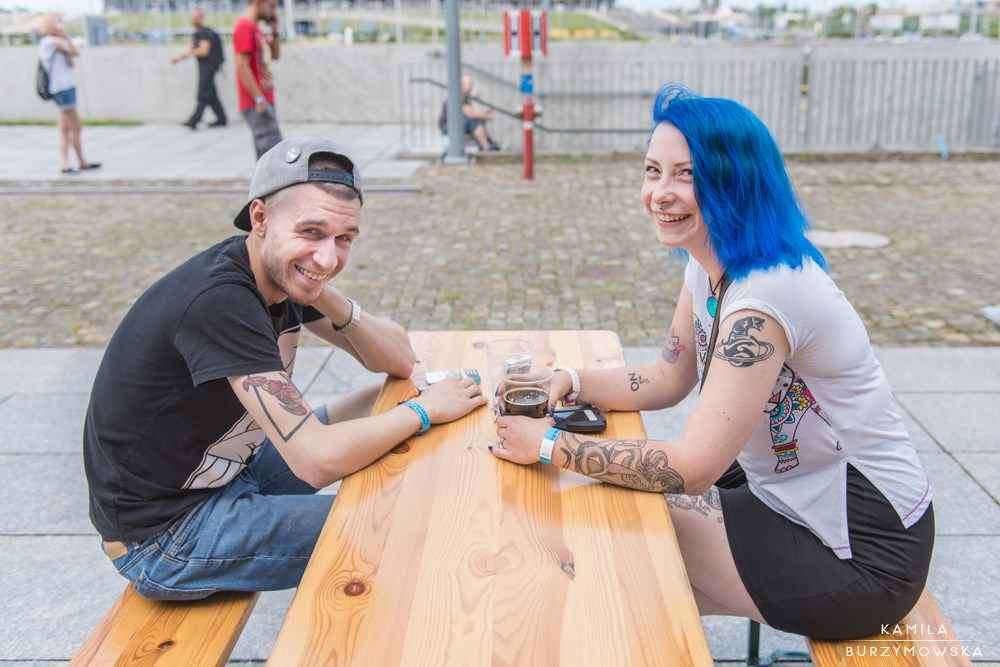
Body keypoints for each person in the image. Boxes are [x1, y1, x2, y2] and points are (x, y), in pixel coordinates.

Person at [491, 84, 934, 641]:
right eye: (653, 171)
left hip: (862, 553)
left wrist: (550, 445)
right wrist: (570, 380)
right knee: (619, 544)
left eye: (687, 175)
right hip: (788, 493)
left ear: (737, 182)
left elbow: (693, 466)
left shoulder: (766, 296)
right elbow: (666, 377)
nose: (660, 193)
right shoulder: (707, 263)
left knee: (610, 539)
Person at [84, 137, 486, 600]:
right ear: (260, 218)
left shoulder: (279, 273)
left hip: (226, 471)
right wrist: (423, 412)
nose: (329, 257)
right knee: (403, 523)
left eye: (344, 239)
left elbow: (398, 359)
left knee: (383, 403)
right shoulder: (221, 301)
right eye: (312, 232)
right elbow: (316, 461)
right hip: (165, 536)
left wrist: (318, 285)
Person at [37, 13, 101, 175]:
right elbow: (75, 52)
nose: (61, 25)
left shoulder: (52, 43)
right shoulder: (50, 42)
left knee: (65, 129)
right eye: (58, 22)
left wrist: (65, 42)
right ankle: (81, 162)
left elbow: (71, 62)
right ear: (50, 25)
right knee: (76, 127)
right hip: (63, 90)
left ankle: (65, 164)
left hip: (64, 89)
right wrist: (65, 36)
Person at [234, 0, 282, 159]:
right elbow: (242, 66)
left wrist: (275, 31)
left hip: (263, 99)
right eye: (272, 6)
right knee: (275, 157)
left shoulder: (255, 28)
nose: (274, 12)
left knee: (268, 157)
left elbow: (275, 55)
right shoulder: (244, 27)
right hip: (256, 102)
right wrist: (259, 98)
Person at [172, 8, 227, 130]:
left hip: (209, 66)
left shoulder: (204, 32)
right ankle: (221, 119)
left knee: (203, 93)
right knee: (211, 94)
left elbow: (203, 51)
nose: (193, 19)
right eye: (193, 17)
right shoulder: (199, 32)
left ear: (201, 18)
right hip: (206, 66)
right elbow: (191, 49)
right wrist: (178, 58)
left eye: (195, 17)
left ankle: (194, 120)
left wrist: (190, 53)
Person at [438, 74, 501, 152]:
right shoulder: (457, 95)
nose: (472, 86)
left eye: (472, 83)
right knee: (473, 121)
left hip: (457, 124)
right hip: (448, 126)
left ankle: (488, 143)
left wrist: (484, 113)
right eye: (469, 83)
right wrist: (487, 116)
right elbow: (470, 114)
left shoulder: (465, 96)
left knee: (477, 120)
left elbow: (472, 111)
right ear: (462, 85)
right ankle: (486, 147)